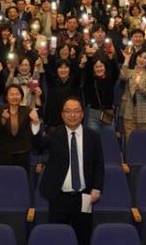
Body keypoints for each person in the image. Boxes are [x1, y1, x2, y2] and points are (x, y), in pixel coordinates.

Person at [38, 98, 104, 245]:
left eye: (76, 111)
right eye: (68, 111)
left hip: (84, 196)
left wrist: (97, 188)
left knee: (83, 237)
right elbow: (39, 145)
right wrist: (36, 124)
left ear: (82, 114)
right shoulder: (55, 133)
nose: (72, 115)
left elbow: (99, 164)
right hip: (58, 196)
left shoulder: (93, 136)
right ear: (62, 115)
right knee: (57, 238)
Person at [0, 84, 41, 174]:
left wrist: (35, 121)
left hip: (23, 152)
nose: (14, 97)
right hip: (5, 153)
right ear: (6, 97)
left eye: (17, 94)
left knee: (22, 178)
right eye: (11, 94)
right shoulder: (0, 110)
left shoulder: (27, 110)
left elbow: (38, 114)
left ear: (21, 96)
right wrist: (3, 119)